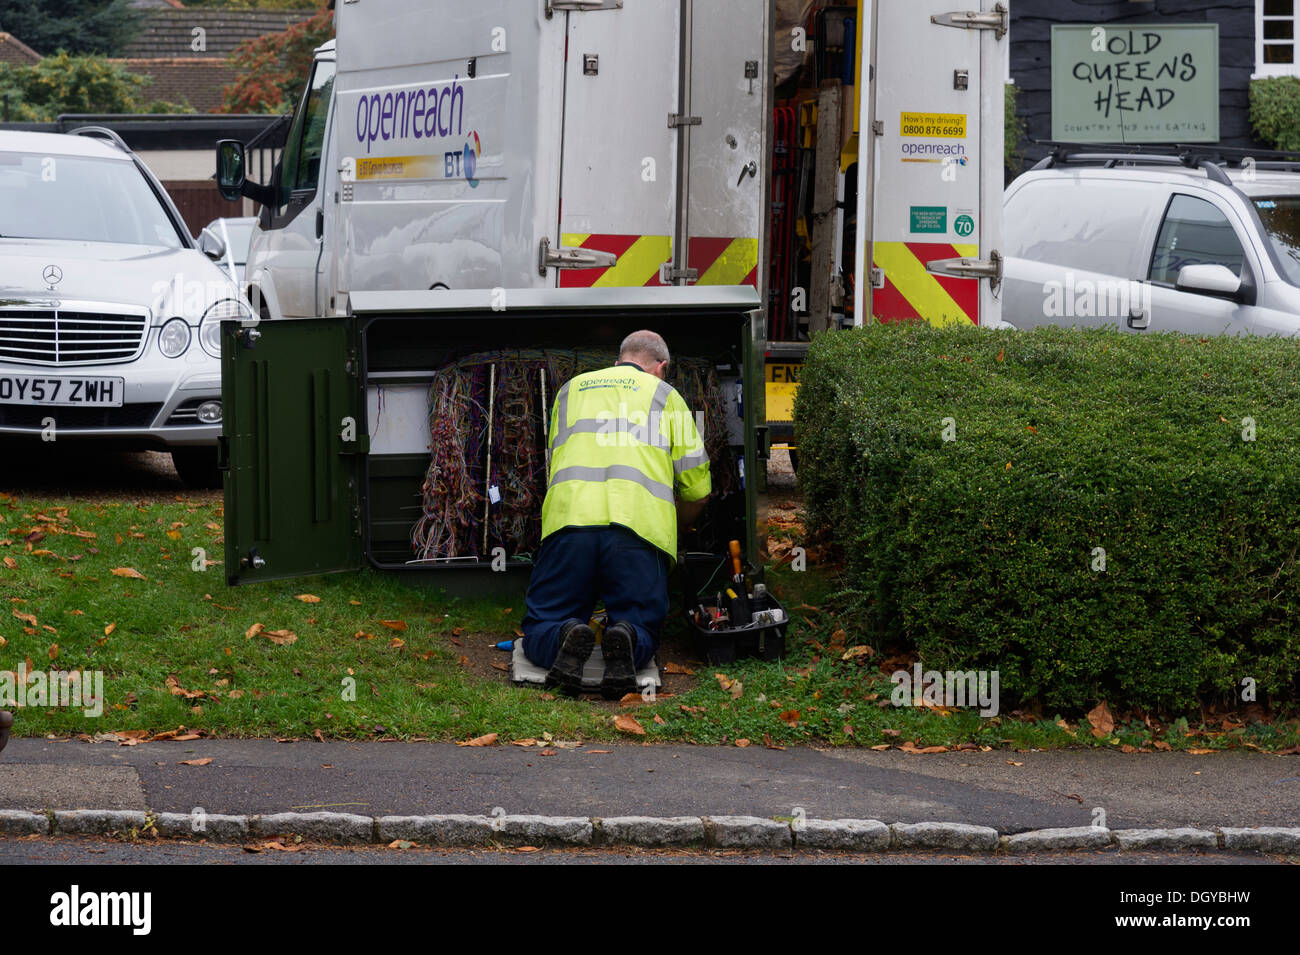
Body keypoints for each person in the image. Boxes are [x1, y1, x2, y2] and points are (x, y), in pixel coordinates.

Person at [521, 330, 711, 698]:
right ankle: (624, 637)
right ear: (662, 368)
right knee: (640, 623)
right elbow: (698, 489)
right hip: (639, 530)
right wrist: (681, 525)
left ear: (617, 361)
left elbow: (555, 457)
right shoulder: (665, 395)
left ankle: (564, 634)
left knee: (545, 620)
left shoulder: (570, 390)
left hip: (569, 523)